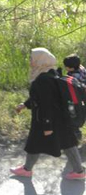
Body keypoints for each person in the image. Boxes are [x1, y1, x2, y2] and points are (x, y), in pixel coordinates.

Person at [10, 48, 85, 180]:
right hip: (60, 116)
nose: (30, 61)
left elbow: (46, 103)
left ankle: (27, 169)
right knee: (67, 143)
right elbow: (40, 97)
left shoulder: (42, 80)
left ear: (41, 60)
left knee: (35, 143)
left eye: (32, 58)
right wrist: (25, 105)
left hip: (47, 118)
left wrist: (47, 126)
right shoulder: (52, 71)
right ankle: (78, 171)